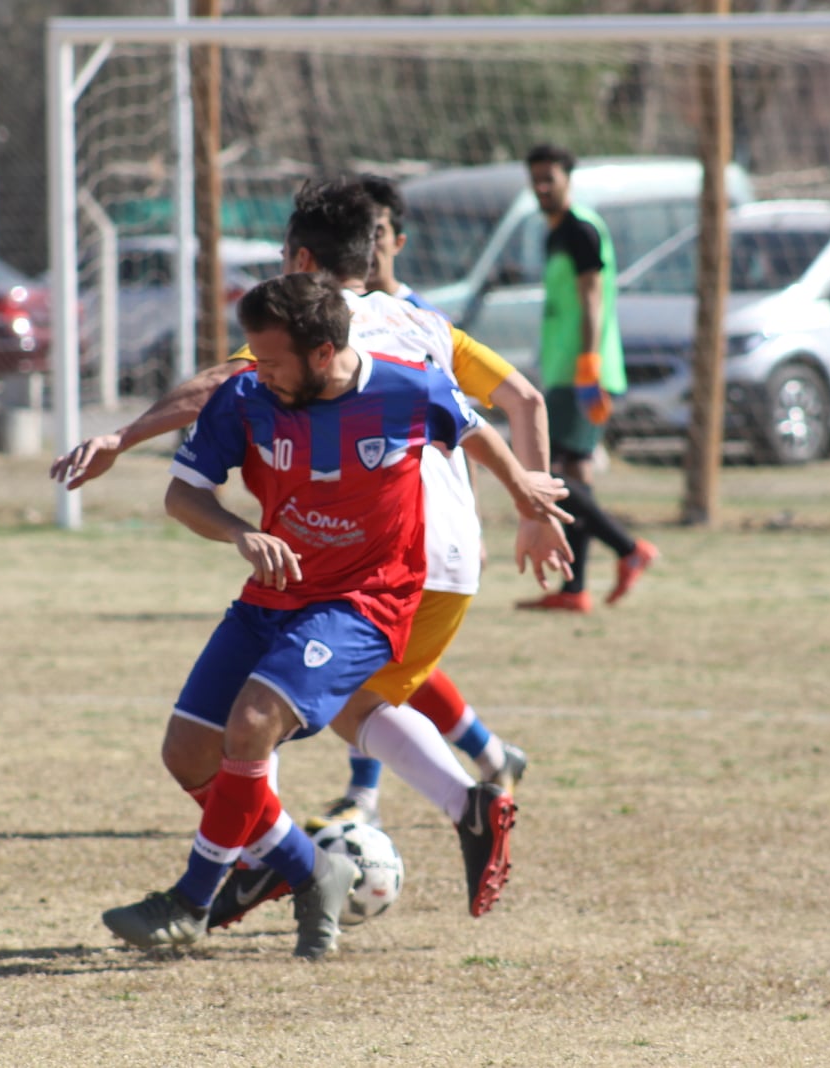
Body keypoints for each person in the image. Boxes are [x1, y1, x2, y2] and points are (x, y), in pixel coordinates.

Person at [99, 272, 515, 958]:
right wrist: (238, 532)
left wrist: (527, 495)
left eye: (271, 359)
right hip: (272, 595)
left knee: (254, 721)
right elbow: (183, 494)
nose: (256, 371)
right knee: (187, 753)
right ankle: (310, 869)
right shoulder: (247, 395)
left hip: (364, 602)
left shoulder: (407, 386)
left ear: (323, 353)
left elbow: (477, 427)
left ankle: (190, 902)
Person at [295, 172, 536, 831]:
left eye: (378, 233)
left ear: (396, 241)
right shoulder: (328, 320)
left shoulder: (422, 322)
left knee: (356, 676)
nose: (369, 247)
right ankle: (485, 757)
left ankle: (377, 800)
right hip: (381, 535)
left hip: (413, 538)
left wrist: (494, 515)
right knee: (384, 670)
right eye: (360, 233)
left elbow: (470, 430)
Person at [519, 143, 657, 614]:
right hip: (563, 369)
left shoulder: (580, 230)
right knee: (573, 475)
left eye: (549, 178)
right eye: (535, 179)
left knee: (557, 475)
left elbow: (593, 296)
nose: (541, 187)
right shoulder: (554, 234)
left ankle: (628, 548)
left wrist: (589, 364)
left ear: (567, 179)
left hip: (585, 370)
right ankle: (574, 589)